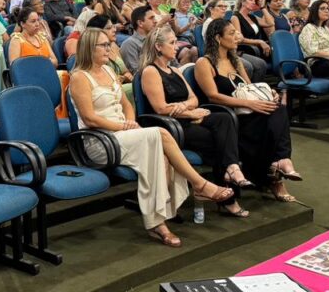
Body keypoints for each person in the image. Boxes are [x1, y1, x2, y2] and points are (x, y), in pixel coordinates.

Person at [69, 27, 234, 247]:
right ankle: (199, 185)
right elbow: (90, 119)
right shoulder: (80, 77)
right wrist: (122, 126)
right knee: (162, 134)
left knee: (161, 155)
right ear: (90, 48)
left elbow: (126, 104)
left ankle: (158, 223)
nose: (110, 48)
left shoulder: (108, 71)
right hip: (100, 140)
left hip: (123, 133)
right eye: (104, 45)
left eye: (109, 44)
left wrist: (130, 122)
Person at [139, 26, 251, 216]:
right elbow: (160, 108)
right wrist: (189, 113)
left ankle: (230, 170)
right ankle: (228, 194)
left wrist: (184, 106)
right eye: (172, 42)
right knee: (220, 140)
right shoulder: (150, 71)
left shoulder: (175, 69)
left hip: (184, 119)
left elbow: (194, 99)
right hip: (171, 127)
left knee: (224, 119)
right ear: (158, 47)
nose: (177, 46)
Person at [195, 19, 299, 202]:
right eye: (232, 34)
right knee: (271, 118)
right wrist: (249, 104)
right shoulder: (204, 63)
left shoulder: (235, 60)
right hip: (228, 114)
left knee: (278, 109)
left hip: (246, 110)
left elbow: (250, 88)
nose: (237, 37)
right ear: (218, 38)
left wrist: (268, 95)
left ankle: (281, 161)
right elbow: (213, 96)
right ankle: (276, 175)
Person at [122, 5, 157, 74]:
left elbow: (174, 64)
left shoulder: (157, 39)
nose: (155, 21)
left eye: (154, 18)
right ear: (140, 23)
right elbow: (136, 72)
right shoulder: (129, 44)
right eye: (151, 18)